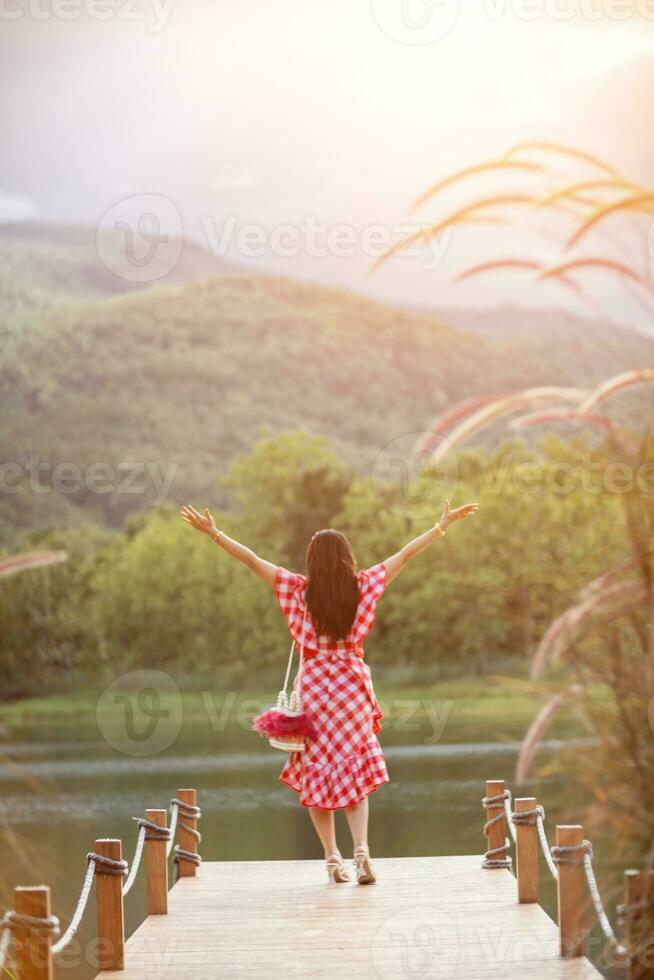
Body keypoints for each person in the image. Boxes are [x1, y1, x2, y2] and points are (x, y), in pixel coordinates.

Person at [180, 498, 478, 884]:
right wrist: (440, 527)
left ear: (312, 561)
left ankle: (333, 858)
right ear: (346, 558)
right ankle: (361, 851)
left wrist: (215, 534)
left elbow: (252, 561)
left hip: (316, 690)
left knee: (314, 773)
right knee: (354, 769)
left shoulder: (298, 591)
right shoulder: (363, 587)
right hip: (351, 690)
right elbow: (403, 556)